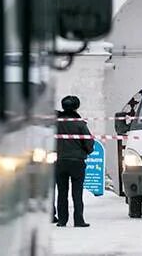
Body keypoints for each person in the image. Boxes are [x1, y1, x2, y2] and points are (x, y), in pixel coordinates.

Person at [55, 95, 93, 227]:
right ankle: (79, 220)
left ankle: (62, 220)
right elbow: (89, 143)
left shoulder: (56, 123)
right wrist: (87, 151)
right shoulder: (80, 124)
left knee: (61, 192)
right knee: (77, 192)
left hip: (60, 161)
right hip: (77, 162)